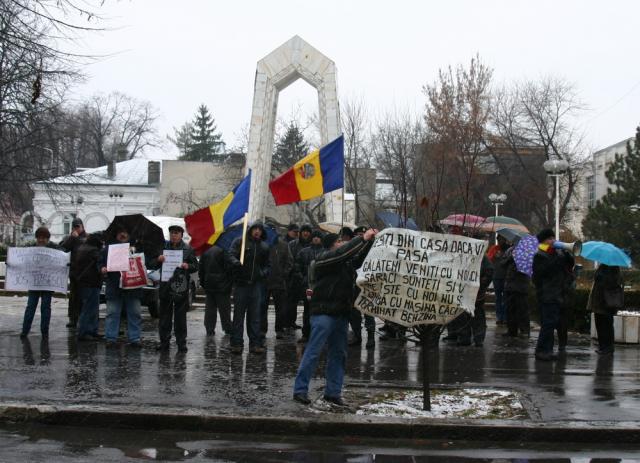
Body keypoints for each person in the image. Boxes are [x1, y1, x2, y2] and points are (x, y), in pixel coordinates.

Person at [292, 229, 377, 406]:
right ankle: (300, 390)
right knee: (313, 351)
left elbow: (359, 258)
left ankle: (333, 392)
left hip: (340, 313)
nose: (342, 243)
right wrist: (362, 238)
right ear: (331, 245)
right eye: (339, 241)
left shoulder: (344, 262)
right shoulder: (323, 259)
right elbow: (342, 253)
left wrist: (369, 242)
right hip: (323, 313)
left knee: (339, 354)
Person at [151, 225, 198, 353]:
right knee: (164, 317)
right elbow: (151, 263)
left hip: (180, 287)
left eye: (176, 233)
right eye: (172, 233)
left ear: (181, 235)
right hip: (165, 285)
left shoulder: (188, 249)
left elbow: (195, 266)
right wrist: (158, 260)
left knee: (180, 318)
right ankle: (164, 342)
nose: (174, 235)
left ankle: (181, 343)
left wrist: (187, 265)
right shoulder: (163, 248)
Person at [532, 228, 574, 361]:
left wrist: (568, 255)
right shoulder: (540, 255)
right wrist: (556, 259)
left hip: (558, 293)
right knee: (548, 323)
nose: (553, 241)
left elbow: (568, 267)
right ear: (543, 241)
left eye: (553, 238)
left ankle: (548, 351)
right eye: (549, 239)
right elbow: (541, 273)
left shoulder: (557, 253)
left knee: (552, 323)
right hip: (547, 294)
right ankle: (541, 350)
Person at [228, 222, 270, 354]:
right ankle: (236, 343)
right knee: (238, 316)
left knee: (255, 316)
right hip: (241, 284)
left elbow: (267, 265)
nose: (257, 231)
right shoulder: (240, 242)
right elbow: (230, 255)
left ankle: (255, 344)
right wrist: (236, 263)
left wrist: (262, 273)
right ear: (250, 230)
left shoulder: (264, 246)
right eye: (255, 229)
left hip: (256, 286)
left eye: (259, 229)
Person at [99, 225, 144, 348]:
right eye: (120, 232)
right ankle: (111, 338)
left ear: (129, 235)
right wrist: (102, 268)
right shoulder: (108, 249)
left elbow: (146, 263)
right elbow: (99, 262)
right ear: (116, 235)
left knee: (134, 313)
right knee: (112, 313)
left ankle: (135, 338)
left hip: (133, 288)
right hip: (114, 287)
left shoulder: (136, 249)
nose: (123, 235)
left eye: (125, 232)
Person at [20, 227, 58, 340]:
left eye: (44, 238)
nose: (41, 240)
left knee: (45, 308)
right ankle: (25, 331)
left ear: (47, 239)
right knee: (31, 307)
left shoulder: (54, 248)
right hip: (34, 283)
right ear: (36, 238)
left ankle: (44, 332)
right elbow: (19, 257)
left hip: (47, 284)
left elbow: (64, 253)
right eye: (39, 238)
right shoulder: (30, 248)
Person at [294, 230, 324, 342]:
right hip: (307, 286)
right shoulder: (303, 252)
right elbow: (297, 267)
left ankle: (319, 334)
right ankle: (306, 334)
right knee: (307, 311)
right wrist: (303, 279)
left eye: (318, 237)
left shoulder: (325, 251)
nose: (316, 238)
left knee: (321, 311)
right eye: (314, 237)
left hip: (322, 286)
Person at [457, 254, 493, 347]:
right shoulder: (461, 256)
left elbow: (489, 273)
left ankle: (478, 338)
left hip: (477, 293)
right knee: (463, 315)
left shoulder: (483, 258)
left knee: (477, 315)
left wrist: (480, 285)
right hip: (463, 292)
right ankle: (464, 338)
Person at [74, 232, 104, 341]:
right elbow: (99, 262)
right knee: (90, 308)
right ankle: (85, 332)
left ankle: (89, 331)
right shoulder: (93, 251)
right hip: (92, 282)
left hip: (84, 282)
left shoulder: (82, 248)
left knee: (88, 307)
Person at [262, 232, 293, 339]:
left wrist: (283, 274)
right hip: (264, 281)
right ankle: (262, 330)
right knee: (262, 307)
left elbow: (289, 261)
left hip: (279, 281)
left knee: (280, 308)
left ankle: (279, 329)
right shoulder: (263, 244)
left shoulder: (284, 245)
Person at [588, 264, 623, 355]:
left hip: (607, 302)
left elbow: (613, 282)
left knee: (606, 325)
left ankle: (608, 347)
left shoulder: (614, 267)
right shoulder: (602, 266)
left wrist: (602, 277)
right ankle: (602, 346)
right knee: (599, 325)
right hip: (599, 302)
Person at [199, 243, 233, 337]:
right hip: (223, 285)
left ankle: (209, 329)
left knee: (210, 309)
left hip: (209, 283)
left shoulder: (205, 250)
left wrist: (204, 283)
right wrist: (229, 283)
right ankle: (227, 328)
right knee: (225, 309)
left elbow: (201, 269)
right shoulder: (225, 250)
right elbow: (229, 269)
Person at [60, 217, 88, 328]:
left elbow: (86, 247)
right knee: (73, 297)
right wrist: (71, 238)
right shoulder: (71, 238)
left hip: (85, 272)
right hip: (74, 272)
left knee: (83, 297)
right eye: (74, 227)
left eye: (78, 226)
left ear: (82, 226)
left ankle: (82, 317)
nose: (76, 229)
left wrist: (77, 239)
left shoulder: (87, 237)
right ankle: (73, 318)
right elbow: (63, 248)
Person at [286, 224, 312, 330]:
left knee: (308, 303)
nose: (305, 233)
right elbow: (290, 259)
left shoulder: (312, 245)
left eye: (307, 231)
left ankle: (308, 325)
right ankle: (289, 322)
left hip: (308, 278)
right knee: (292, 302)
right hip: (294, 278)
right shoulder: (293, 244)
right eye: (303, 231)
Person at [502, 245, 531, 337]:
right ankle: (511, 330)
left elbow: (527, 269)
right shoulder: (509, 250)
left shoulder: (528, 252)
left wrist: (518, 259)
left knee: (522, 310)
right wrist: (511, 258)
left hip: (521, 286)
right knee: (510, 310)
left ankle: (524, 331)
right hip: (509, 285)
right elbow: (502, 264)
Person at [488, 235, 510, 325]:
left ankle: (505, 317)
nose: (501, 241)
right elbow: (489, 259)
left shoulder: (509, 249)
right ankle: (499, 317)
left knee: (505, 298)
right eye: (499, 239)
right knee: (498, 298)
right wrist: (494, 255)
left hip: (506, 277)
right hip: (496, 276)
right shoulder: (494, 248)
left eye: (503, 239)